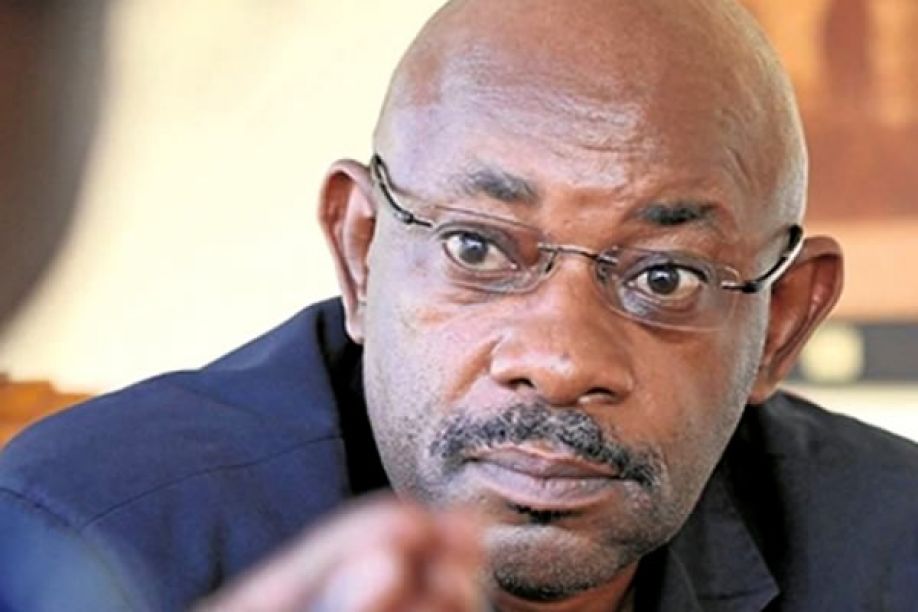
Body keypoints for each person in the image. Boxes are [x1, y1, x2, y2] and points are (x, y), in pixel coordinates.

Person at [2, 0, 917, 610]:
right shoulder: (89, 535)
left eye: (665, 278)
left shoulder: (892, 546)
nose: (561, 361)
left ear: (782, 324)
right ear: (361, 252)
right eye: (477, 249)